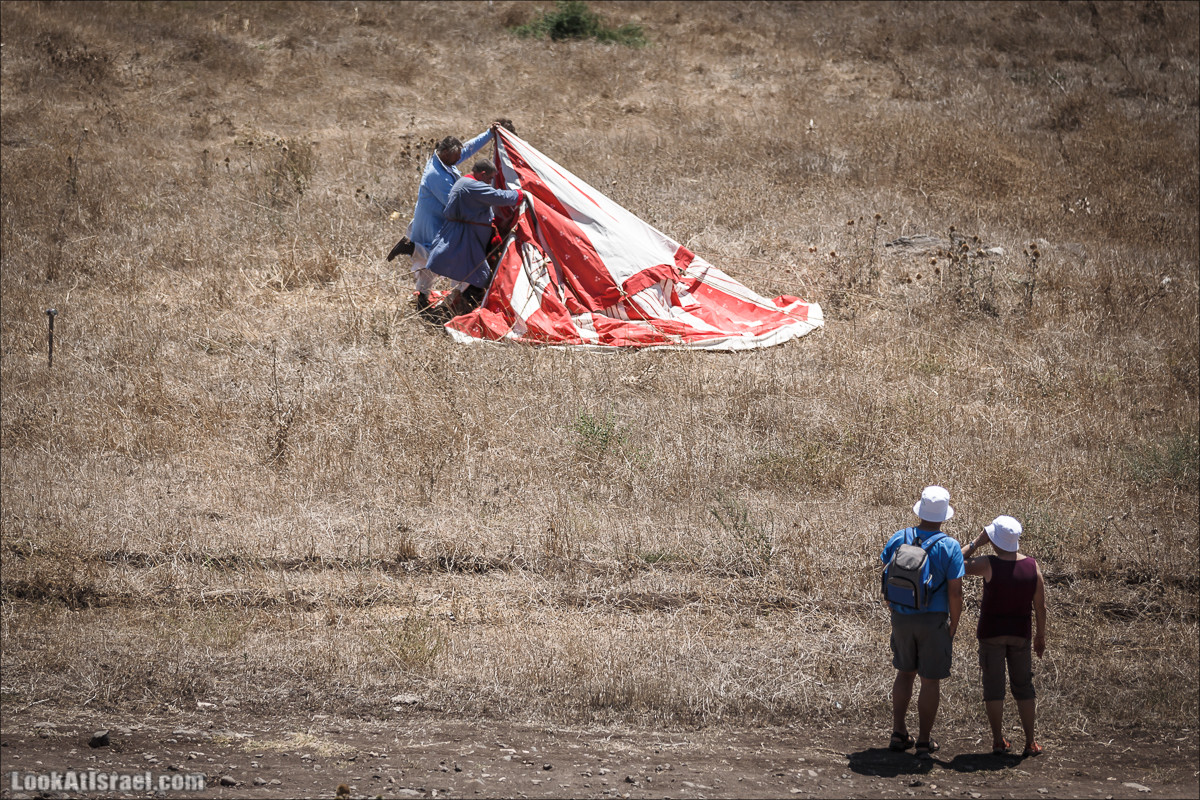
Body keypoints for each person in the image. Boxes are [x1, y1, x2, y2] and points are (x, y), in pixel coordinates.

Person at [387, 121, 517, 311]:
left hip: (434, 220)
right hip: (433, 223)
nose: (460, 158)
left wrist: (489, 134)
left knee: (429, 264)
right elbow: (455, 203)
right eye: (456, 155)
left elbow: (468, 149)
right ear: (446, 153)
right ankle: (414, 250)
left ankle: (423, 296)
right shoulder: (436, 175)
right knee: (447, 257)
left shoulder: (444, 161)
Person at [880, 485, 965, 760]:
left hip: (901, 618)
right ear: (944, 516)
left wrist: (893, 605)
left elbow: (884, 574)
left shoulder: (900, 537)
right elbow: (955, 592)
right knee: (930, 682)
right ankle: (924, 742)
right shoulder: (950, 546)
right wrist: (953, 624)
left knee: (904, 673)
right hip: (933, 620)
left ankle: (898, 733)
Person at [962, 515, 1047, 758]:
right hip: (1021, 634)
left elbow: (954, 561)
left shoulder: (987, 564)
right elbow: (1040, 607)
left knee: (994, 688)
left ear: (993, 539)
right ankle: (1030, 742)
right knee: (1024, 687)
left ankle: (998, 740)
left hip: (991, 634)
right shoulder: (1032, 566)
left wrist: (977, 542)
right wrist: (1040, 636)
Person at [423, 157, 523, 313]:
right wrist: (521, 194)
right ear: (482, 174)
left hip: (464, 234)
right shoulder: (472, 186)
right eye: (489, 178)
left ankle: (454, 304)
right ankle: (462, 308)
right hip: (465, 237)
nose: (490, 182)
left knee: (464, 272)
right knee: (476, 275)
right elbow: (499, 197)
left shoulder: (465, 182)